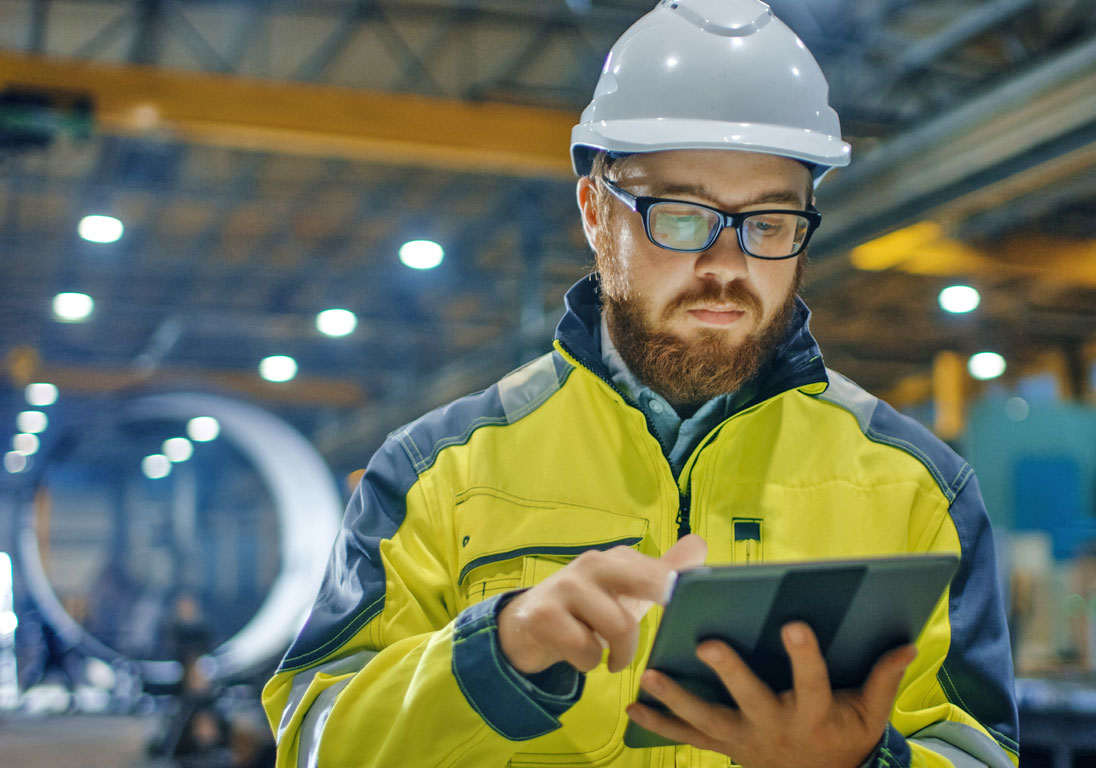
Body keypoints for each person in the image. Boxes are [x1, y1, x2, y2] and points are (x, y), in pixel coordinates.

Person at [263, 1, 1018, 766]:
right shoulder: (436, 473)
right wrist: (497, 653)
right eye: (682, 216)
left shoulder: (919, 489)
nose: (727, 264)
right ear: (595, 213)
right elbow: (315, 740)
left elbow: (978, 750)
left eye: (767, 222)